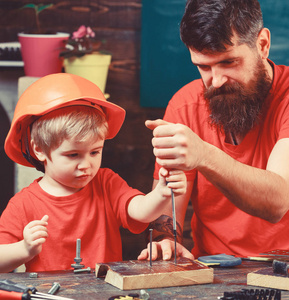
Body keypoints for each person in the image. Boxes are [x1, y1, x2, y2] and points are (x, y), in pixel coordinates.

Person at [138, 0, 289, 262]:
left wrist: (203, 156)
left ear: (263, 45)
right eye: (204, 67)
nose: (216, 82)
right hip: (213, 267)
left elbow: (278, 202)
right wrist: (165, 239)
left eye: (229, 62)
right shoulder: (184, 105)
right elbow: (167, 214)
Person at [0, 73, 186, 272]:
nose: (86, 165)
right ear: (39, 149)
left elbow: (140, 211)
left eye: (95, 152)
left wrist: (160, 193)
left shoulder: (106, 183)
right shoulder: (22, 204)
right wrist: (25, 249)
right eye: (73, 155)